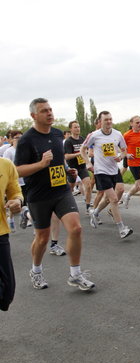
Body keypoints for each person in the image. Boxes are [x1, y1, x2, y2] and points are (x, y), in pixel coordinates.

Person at [15, 98, 95, 291]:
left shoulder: (59, 134)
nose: (49, 113)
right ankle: (36, 270)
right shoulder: (27, 140)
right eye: (44, 111)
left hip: (61, 191)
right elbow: (17, 170)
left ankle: (75, 275)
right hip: (39, 195)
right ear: (34, 115)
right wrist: (41, 165)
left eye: (50, 109)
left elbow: (59, 162)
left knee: (75, 229)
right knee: (42, 238)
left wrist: (68, 171)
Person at [81, 111, 133, 239]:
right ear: (100, 122)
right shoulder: (94, 135)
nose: (109, 122)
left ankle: (95, 212)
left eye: (110, 119)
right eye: (106, 120)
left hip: (114, 170)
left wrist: (121, 156)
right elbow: (83, 149)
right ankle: (122, 228)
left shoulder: (118, 134)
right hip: (101, 171)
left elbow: (124, 150)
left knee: (119, 191)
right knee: (114, 199)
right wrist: (87, 163)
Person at [0, 157, 23, 311]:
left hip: (0, 232)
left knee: (7, 290)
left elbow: (16, 192)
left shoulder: (5, 165)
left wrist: (17, 202)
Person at [64, 120, 92, 214]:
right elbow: (66, 156)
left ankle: (88, 207)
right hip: (72, 168)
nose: (78, 129)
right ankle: (65, 202)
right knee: (70, 188)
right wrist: (78, 154)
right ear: (71, 129)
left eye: (78, 127)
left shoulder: (82, 139)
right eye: (75, 127)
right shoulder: (68, 141)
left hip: (82, 166)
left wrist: (86, 154)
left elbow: (86, 150)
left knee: (88, 185)